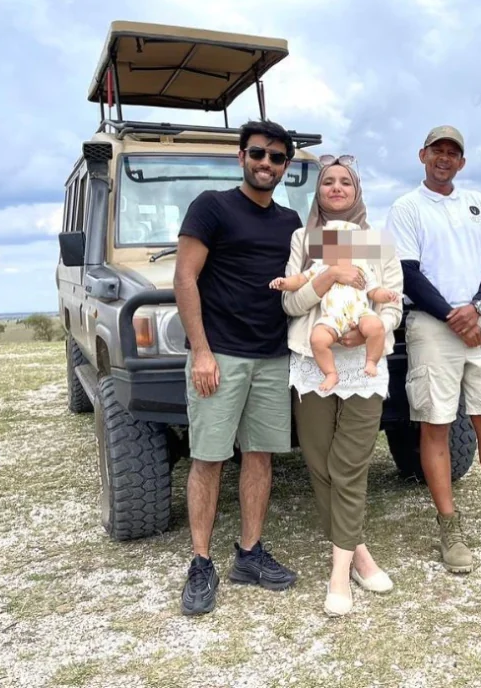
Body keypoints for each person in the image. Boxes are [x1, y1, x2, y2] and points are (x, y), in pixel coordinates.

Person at [384, 125, 481, 575]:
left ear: (462, 162)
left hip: (480, 319)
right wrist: (454, 316)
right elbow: (407, 272)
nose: (445, 158)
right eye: (437, 150)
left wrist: (477, 307)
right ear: (422, 154)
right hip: (433, 324)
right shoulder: (407, 208)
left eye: (453, 152)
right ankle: (449, 529)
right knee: (436, 423)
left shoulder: (480, 204)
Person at [173, 119, 302, 616]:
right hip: (220, 354)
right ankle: (201, 561)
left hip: (272, 355)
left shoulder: (290, 222)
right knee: (207, 458)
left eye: (275, 157)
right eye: (257, 153)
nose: (265, 163)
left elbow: (313, 271)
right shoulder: (212, 207)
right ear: (241, 157)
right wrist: (201, 351)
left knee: (261, 456)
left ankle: (249, 553)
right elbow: (185, 279)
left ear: (286, 166)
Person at [279, 155, 403, 616]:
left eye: (344, 182)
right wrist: (328, 274)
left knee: (349, 464)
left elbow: (393, 302)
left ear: (357, 191)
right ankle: (358, 552)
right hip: (315, 363)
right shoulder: (304, 240)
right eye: (328, 181)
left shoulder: (375, 241)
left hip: (364, 367)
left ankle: (338, 575)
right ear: (318, 191)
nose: (335, 188)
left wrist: (370, 330)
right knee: (319, 462)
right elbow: (292, 305)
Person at [269, 219, 401, 390]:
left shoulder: (362, 268)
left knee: (376, 326)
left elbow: (374, 291)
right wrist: (284, 283)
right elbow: (300, 280)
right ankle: (331, 373)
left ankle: (371, 361)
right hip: (331, 317)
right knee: (317, 339)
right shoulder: (321, 267)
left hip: (360, 314)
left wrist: (388, 295)